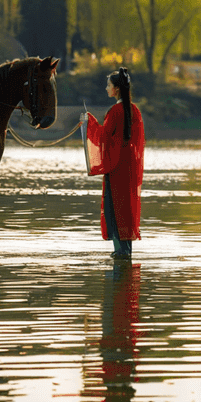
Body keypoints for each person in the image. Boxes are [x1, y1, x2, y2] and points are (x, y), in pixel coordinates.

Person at [81, 67, 145, 259]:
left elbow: (103, 137)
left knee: (114, 208)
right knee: (126, 208)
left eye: (108, 85)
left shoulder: (115, 111)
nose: (106, 88)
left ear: (116, 88)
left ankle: (120, 252)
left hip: (116, 169)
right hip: (130, 169)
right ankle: (126, 251)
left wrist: (89, 122)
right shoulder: (135, 110)